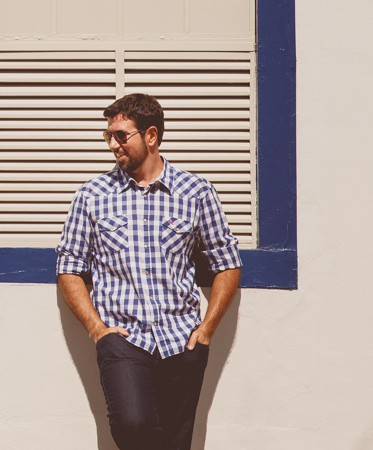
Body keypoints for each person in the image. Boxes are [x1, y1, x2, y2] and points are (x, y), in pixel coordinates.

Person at [56, 94, 241, 450]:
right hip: (123, 339)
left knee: (176, 440)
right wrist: (98, 330)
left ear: (151, 135)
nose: (113, 145)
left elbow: (227, 263)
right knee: (133, 425)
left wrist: (207, 329)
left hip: (182, 339)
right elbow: (69, 268)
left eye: (121, 135)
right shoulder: (92, 196)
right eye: (108, 136)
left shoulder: (196, 192)